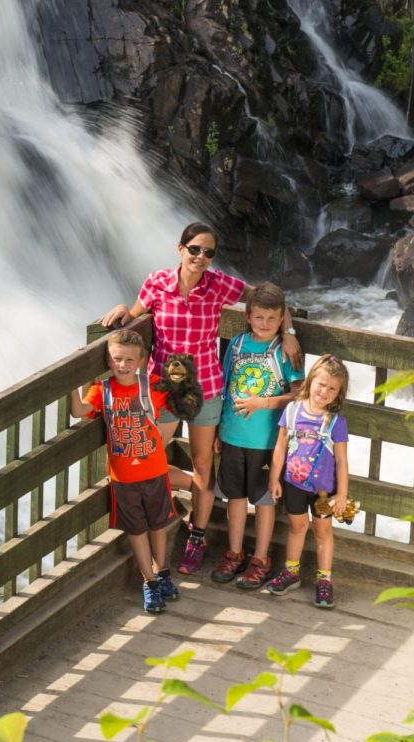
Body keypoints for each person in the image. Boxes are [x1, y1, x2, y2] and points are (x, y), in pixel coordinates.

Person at [100, 223, 301, 576]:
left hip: (207, 387)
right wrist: (121, 309)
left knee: (204, 465)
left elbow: (272, 301)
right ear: (180, 249)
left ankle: (197, 535)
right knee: (145, 458)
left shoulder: (220, 284)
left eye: (209, 252)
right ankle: (164, 515)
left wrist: (289, 332)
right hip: (163, 389)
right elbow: (132, 319)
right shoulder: (157, 282)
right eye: (195, 249)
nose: (201, 257)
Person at [69, 329, 179, 614]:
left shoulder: (152, 385)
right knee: (137, 529)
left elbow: (182, 400)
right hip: (124, 478)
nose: (123, 365)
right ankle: (150, 582)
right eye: (117, 359)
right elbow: (80, 411)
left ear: (140, 361)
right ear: (109, 359)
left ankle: (162, 571)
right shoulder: (102, 390)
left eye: (130, 360)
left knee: (158, 526)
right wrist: (75, 378)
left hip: (155, 471)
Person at [211, 283, 304, 589]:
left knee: (264, 501)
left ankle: (260, 558)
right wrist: (218, 433)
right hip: (233, 436)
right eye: (259, 317)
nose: (265, 324)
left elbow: (297, 395)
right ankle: (234, 553)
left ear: (281, 320)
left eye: (272, 319)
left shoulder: (284, 350)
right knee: (234, 498)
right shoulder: (236, 345)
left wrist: (262, 403)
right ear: (248, 316)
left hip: (267, 443)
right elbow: (224, 390)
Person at [266, 354, 350, 609]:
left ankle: (324, 580)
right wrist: (274, 478)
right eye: (321, 384)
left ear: (338, 394)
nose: (324, 391)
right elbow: (280, 446)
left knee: (323, 532)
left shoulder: (336, 422)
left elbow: (341, 462)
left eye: (332, 388)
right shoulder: (292, 411)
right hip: (293, 484)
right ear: (311, 380)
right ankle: (291, 573)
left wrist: (343, 495)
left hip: (324, 492)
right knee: (297, 526)